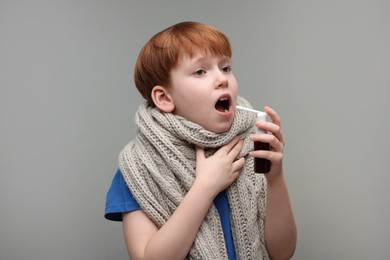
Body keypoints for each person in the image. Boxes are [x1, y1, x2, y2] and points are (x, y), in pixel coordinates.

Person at [105, 21, 297, 260]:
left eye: (225, 68)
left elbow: (282, 253)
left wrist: (275, 177)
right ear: (164, 98)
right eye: (200, 72)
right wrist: (205, 186)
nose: (221, 79)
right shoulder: (139, 167)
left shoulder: (252, 147)